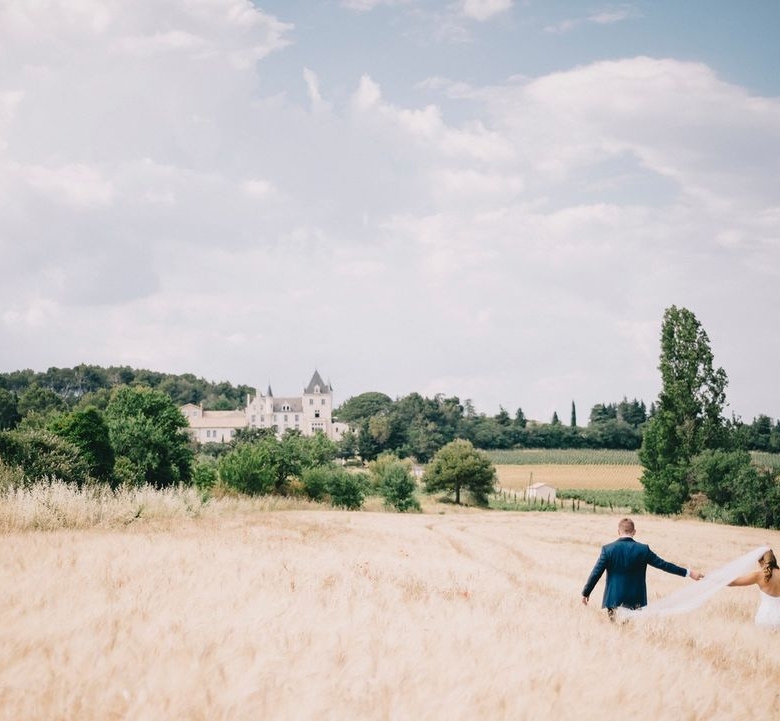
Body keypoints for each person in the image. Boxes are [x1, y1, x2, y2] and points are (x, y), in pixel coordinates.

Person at [581, 518, 704, 617]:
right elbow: (664, 565)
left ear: (618, 532)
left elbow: (596, 573)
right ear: (634, 532)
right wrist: (689, 573)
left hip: (614, 598)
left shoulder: (608, 549)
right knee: (632, 634)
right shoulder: (643, 550)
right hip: (636, 600)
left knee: (616, 632)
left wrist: (586, 592)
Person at [727, 548, 780, 628]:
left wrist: (708, 578)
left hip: (763, 617)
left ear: (762, 562)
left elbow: (732, 582)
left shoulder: (758, 575)